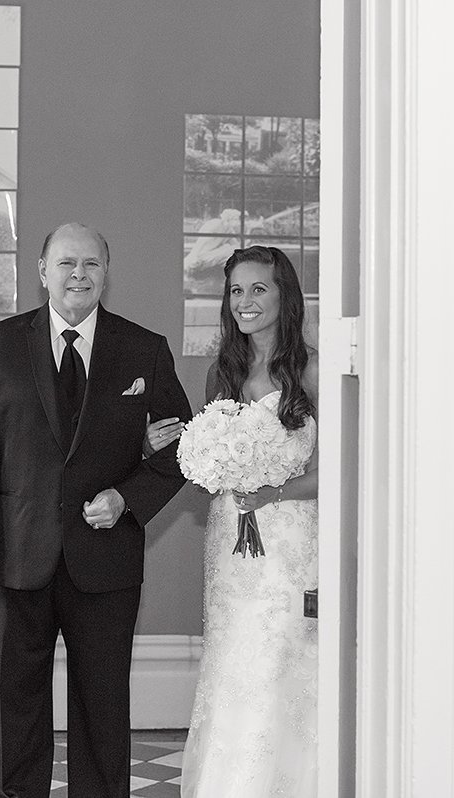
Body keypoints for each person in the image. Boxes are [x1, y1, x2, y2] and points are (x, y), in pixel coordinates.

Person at [0, 223, 192, 798]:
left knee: (103, 709)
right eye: (66, 264)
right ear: (42, 270)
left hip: (105, 563)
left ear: (107, 271)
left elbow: (185, 445)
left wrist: (128, 496)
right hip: (16, 553)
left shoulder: (143, 348)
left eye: (91, 265)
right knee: (13, 706)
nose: (78, 275)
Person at [147, 245, 319, 796]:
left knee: (282, 653)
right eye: (236, 290)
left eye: (258, 288)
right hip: (230, 540)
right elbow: (209, 455)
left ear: (284, 295)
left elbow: (340, 469)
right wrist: (206, 460)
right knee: (233, 658)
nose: (245, 301)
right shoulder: (221, 371)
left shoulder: (310, 370)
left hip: (290, 537)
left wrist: (273, 493)